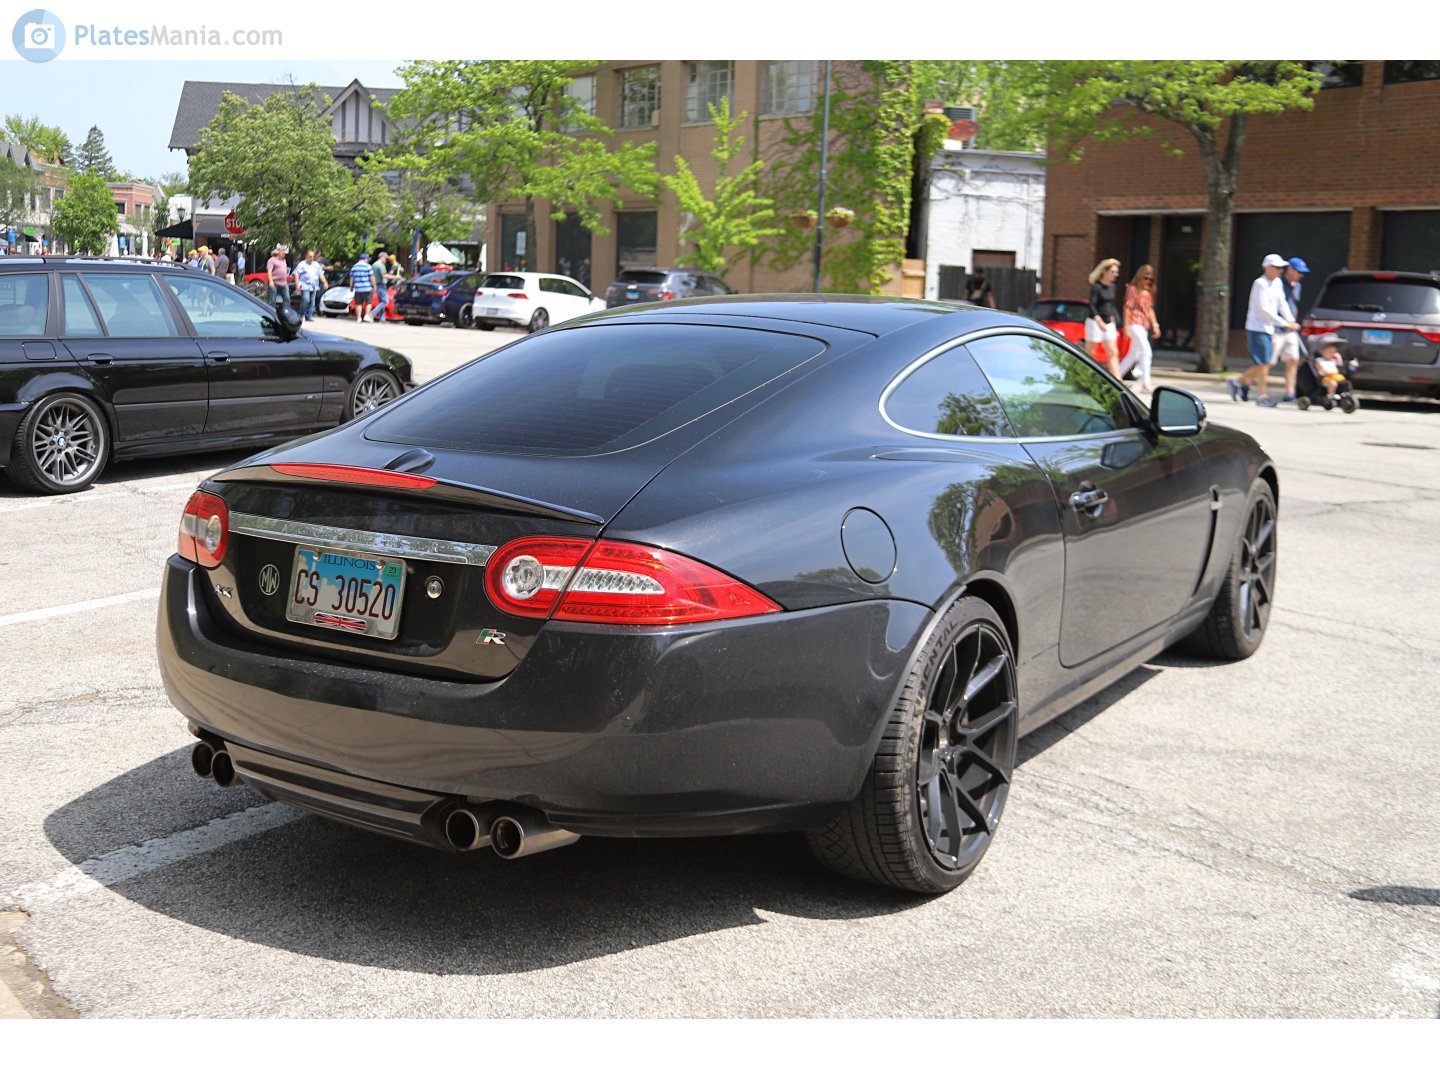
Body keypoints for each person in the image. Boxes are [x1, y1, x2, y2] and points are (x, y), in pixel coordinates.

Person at [1230, 253, 1299, 407]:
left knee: (1265, 363)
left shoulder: (1277, 283)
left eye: (1281, 268)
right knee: (1263, 363)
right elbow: (1264, 310)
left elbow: (1282, 303)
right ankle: (1261, 395)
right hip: (1257, 327)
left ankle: (1237, 382)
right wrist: (1283, 323)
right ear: (1267, 267)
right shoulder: (1260, 284)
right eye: (1276, 267)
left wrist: (1291, 320)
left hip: (1269, 328)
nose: (1280, 270)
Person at [1121, 264, 1161, 393]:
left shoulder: (1148, 292)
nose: (1148, 281)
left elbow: (1149, 310)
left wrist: (1155, 325)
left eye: (1150, 279)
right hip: (1134, 324)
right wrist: (1126, 326)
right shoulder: (1133, 289)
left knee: (1133, 355)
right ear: (1139, 277)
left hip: (1143, 326)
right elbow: (1127, 308)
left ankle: (1115, 375)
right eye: (1145, 278)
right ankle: (1146, 382)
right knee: (1147, 351)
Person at [1277, 257, 1309, 402]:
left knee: (1293, 360)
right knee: (1266, 363)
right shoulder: (1278, 284)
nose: (1301, 275)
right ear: (1290, 269)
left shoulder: (1299, 286)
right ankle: (1241, 383)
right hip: (1275, 327)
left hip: (1290, 329)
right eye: (1298, 271)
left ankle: (1289, 393)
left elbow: (1293, 306)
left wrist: (1292, 322)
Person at [1086, 258, 1123, 375]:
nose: (1116, 275)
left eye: (1117, 272)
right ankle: (1083, 376)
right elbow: (1091, 305)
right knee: (1090, 352)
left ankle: (1118, 381)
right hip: (1094, 322)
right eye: (1113, 272)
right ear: (1104, 272)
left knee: (1113, 352)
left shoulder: (1113, 287)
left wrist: (1113, 316)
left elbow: (1111, 304)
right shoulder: (1096, 287)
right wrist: (1099, 321)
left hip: (1108, 323)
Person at [295, 249, 328, 322]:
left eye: (313, 257)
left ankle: (308, 316)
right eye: (310, 257)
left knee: (312, 302)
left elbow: (320, 274)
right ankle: (301, 314)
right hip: (304, 285)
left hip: (314, 286)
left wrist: (325, 282)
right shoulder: (302, 264)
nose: (311, 258)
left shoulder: (316, 264)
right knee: (306, 299)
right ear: (306, 256)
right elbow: (297, 274)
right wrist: (297, 285)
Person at [349, 252, 374, 322]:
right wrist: (374, 285)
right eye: (367, 259)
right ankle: (366, 315)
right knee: (369, 303)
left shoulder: (354, 266)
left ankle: (359, 318)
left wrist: (351, 286)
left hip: (358, 288)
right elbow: (371, 277)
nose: (368, 260)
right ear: (365, 259)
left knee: (358, 303)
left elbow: (352, 277)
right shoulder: (368, 266)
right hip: (367, 287)